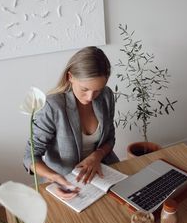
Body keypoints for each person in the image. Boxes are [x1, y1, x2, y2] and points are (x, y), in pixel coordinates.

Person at [24, 46, 119, 198]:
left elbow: (110, 138)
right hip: (65, 180)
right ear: (70, 77)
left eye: (98, 90)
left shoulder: (106, 96)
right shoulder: (52, 106)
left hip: (102, 170)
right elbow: (30, 156)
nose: (90, 97)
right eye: (85, 89)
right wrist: (55, 179)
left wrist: (97, 155)